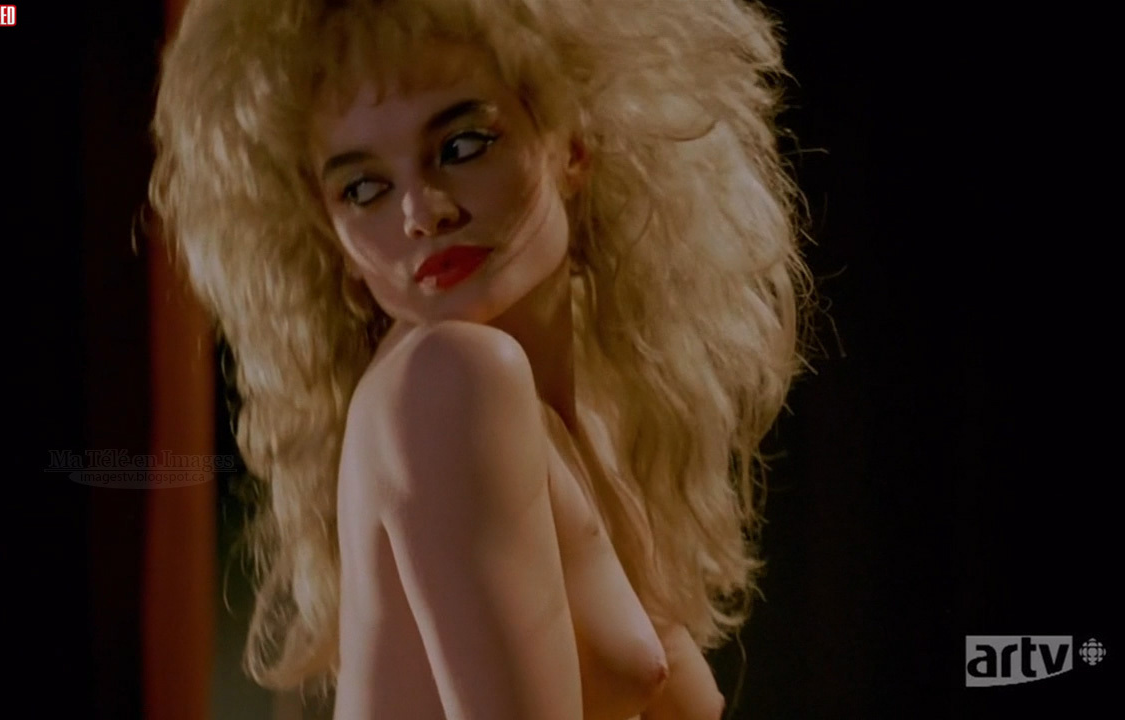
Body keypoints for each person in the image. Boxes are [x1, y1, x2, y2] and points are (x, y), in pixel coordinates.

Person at [149, 0, 809, 717]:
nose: (422, 212)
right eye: (364, 188)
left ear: (572, 145)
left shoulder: (585, 408)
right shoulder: (448, 380)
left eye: (463, 146)